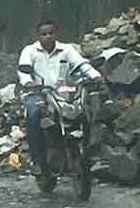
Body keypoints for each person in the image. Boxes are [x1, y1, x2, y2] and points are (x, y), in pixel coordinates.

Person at [18, 20, 101, 175]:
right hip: (38, 92)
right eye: (44, 34)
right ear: (38, 35)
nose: (48, 37)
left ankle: (89, 151)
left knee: (86, 109)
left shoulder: (66, 49)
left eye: (51, 33)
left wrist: (95, 76)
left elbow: (82, 64)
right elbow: (23, 72)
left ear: (56, 34)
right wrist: (28, 82)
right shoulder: (29, 51)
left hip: (64, 91)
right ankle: (37, 161)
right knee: (33, 114)